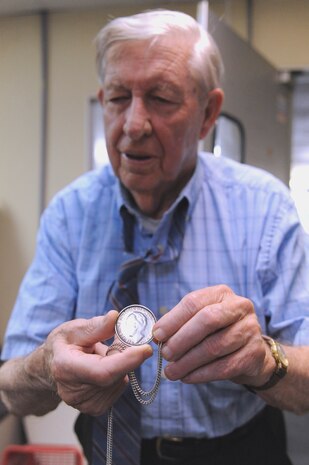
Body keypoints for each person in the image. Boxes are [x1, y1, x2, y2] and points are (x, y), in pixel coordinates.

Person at [1, 8, 309, 465]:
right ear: (102, 100)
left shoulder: (264, 205)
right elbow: (11, 389)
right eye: (119, 98)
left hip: (241, 451)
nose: (133, 124)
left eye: (162, 99)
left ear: (208, 115)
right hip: (111, 450)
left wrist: (264, 360)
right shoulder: (70, 214)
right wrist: (46, 367)